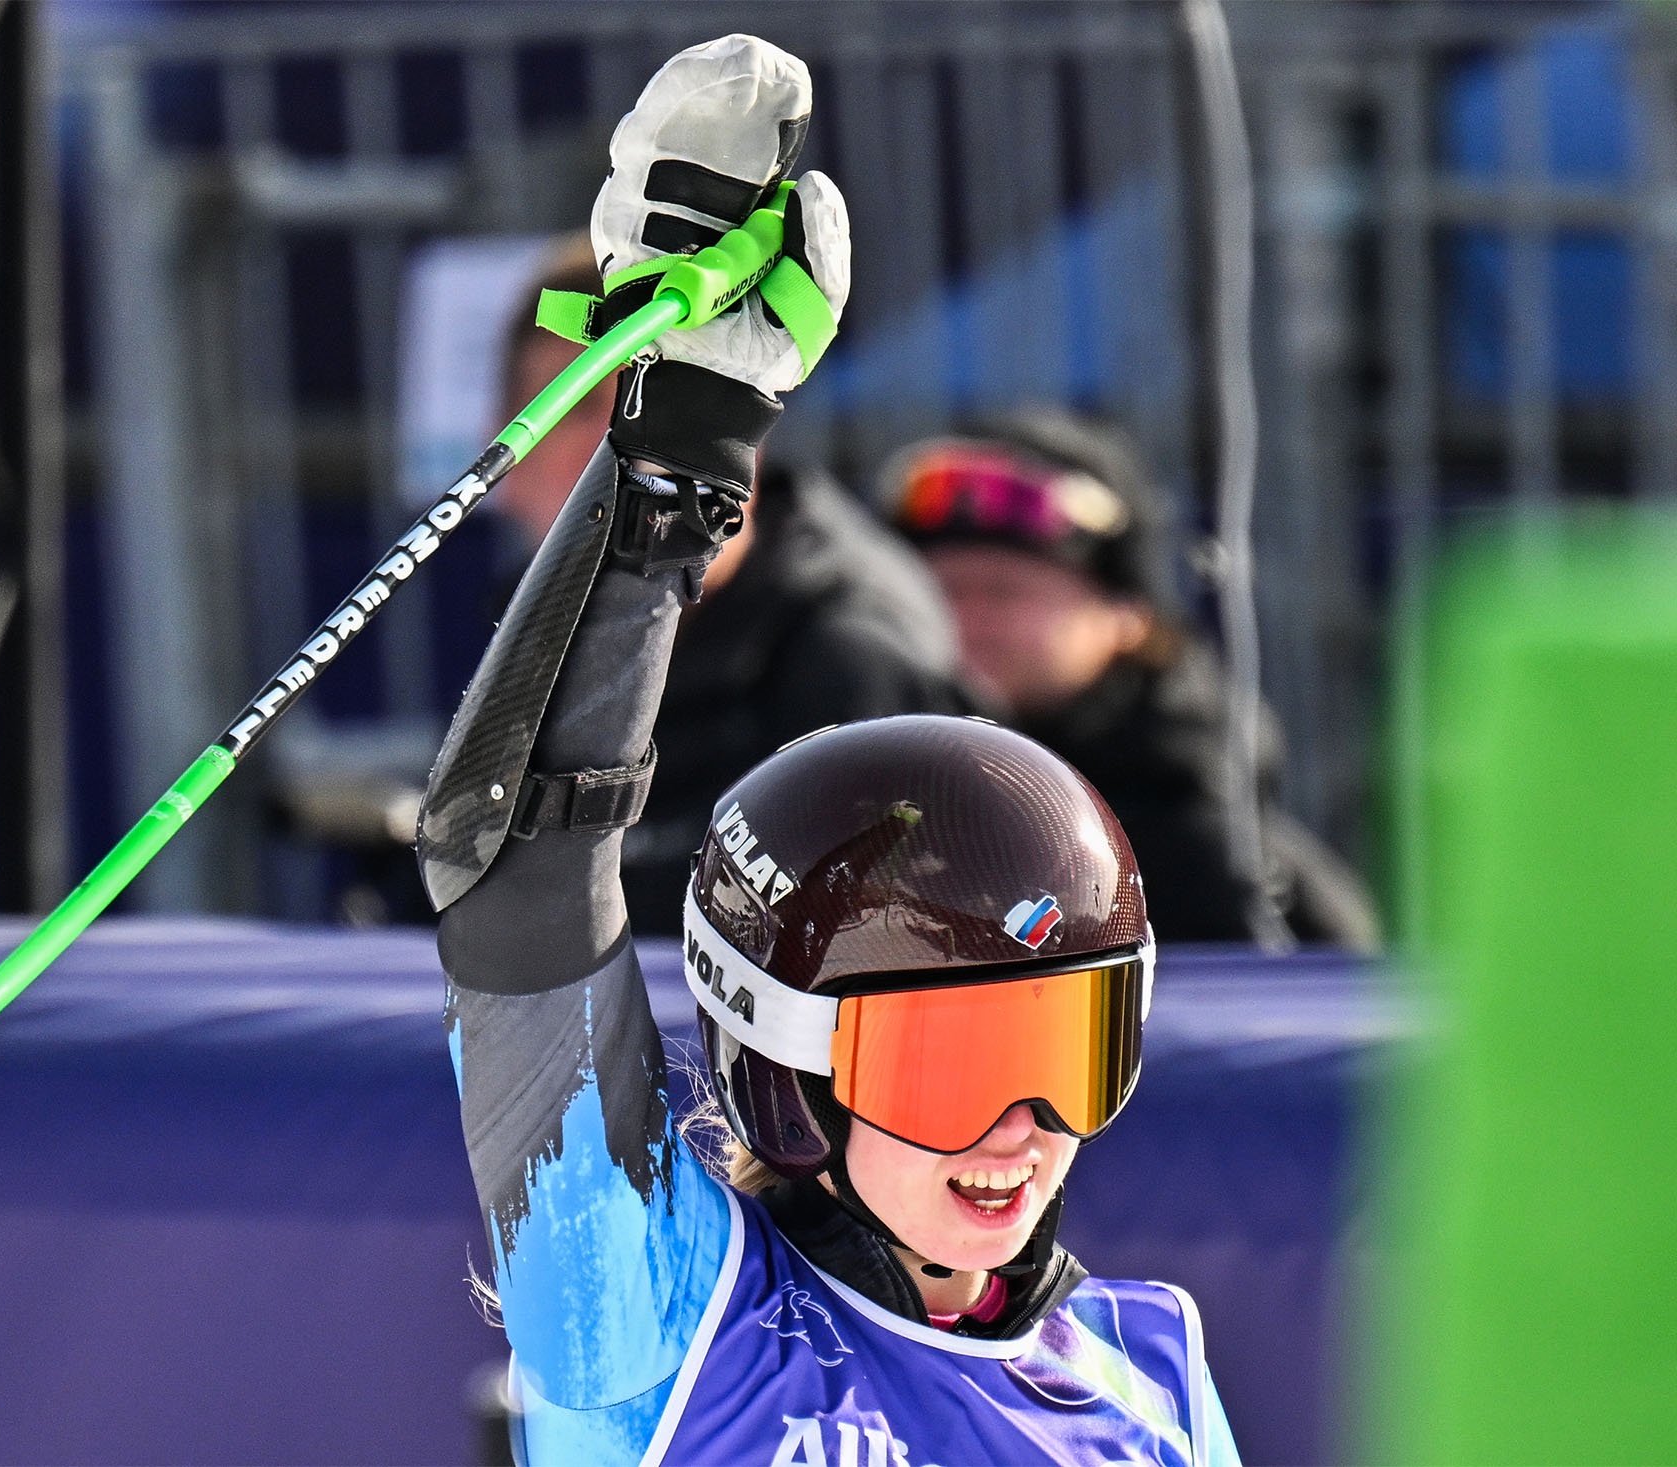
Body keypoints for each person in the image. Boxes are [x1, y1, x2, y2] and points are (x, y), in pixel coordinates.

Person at [417, 36, 1239, 1466]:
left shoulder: (1143, 1372)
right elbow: (510, 864)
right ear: (791, 1073)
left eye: (1065, 1046)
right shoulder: (660, 1319)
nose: (1020, 1130)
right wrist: (677, 456)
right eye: (951, 1063)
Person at [488, 259, 973, 942]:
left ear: (741, 442)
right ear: (507, 454)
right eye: (576, 407)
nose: (619, 446)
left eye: (659, 404)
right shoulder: (524, 637)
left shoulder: (853, 660)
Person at [878, 413, 1381, 951]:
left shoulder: (1206, 852)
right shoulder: (877, 799)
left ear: (1126, 616)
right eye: (941, 592)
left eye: (1005, 593)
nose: (966, 620)